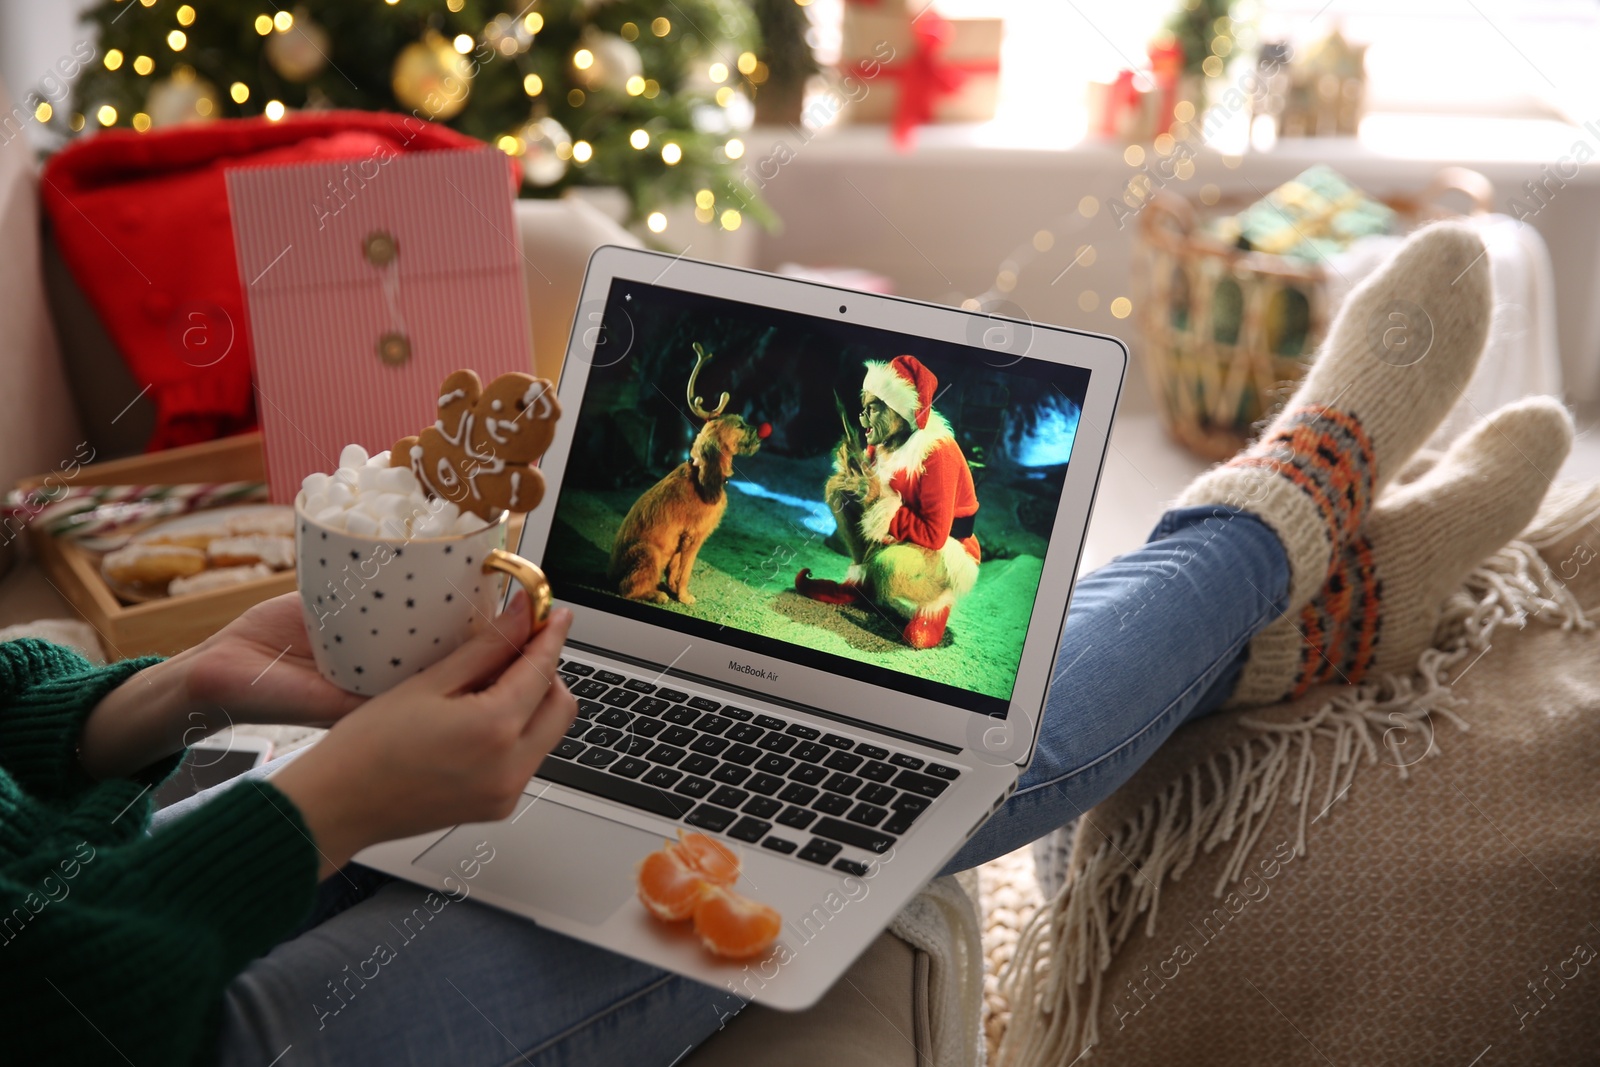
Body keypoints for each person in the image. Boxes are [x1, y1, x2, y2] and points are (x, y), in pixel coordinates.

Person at [0, 224, 1574, 1066]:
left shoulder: (929, 448)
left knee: (890, 692)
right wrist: (327, 800)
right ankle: (1274, 546)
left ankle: (1271, 583)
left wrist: (168, 686)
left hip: (103, 864)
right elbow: (65, 1007)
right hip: (169, 1021)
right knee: (880, 764)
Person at [795, 354, 982, 649]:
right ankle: (861, 582)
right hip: (901, 532)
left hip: (947, 547)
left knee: (890, 566)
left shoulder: (937, 452)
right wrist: (853, 470)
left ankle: (934, 604)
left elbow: (935, 536)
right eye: (863, 406)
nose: (863, 417)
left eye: (874, 408)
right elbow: (868, 493)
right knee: (839, 489)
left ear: (900, 411)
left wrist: (877, 500)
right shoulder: (882, 443)